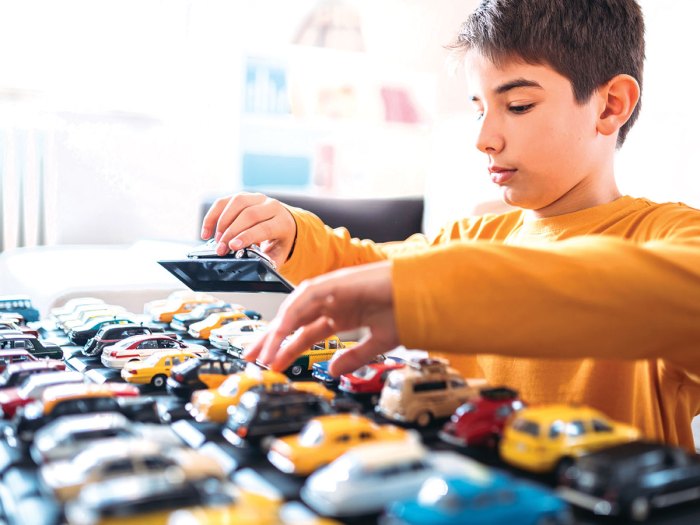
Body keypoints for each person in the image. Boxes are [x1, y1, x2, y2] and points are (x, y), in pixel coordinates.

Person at [201, 0, 700, 451]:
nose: (483, 137)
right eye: (478, 107)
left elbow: (677, 292)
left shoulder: (668, 234)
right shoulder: (472, 238)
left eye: (518, 105)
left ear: (610, 105)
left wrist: (439, 295)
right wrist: (292, 232)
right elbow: (365, 268)